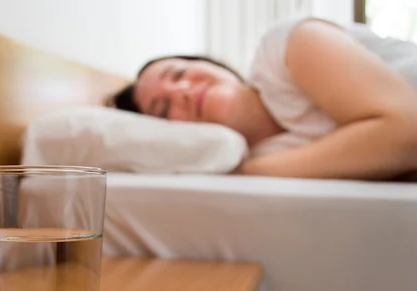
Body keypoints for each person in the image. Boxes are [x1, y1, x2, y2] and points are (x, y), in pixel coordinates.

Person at [106, 17, 417, 181]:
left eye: (180, 73)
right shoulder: (252, 154)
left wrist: (249, 172)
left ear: (211, 63)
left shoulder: (286, 46)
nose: (183, 91)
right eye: (163, 109)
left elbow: (407, 133)